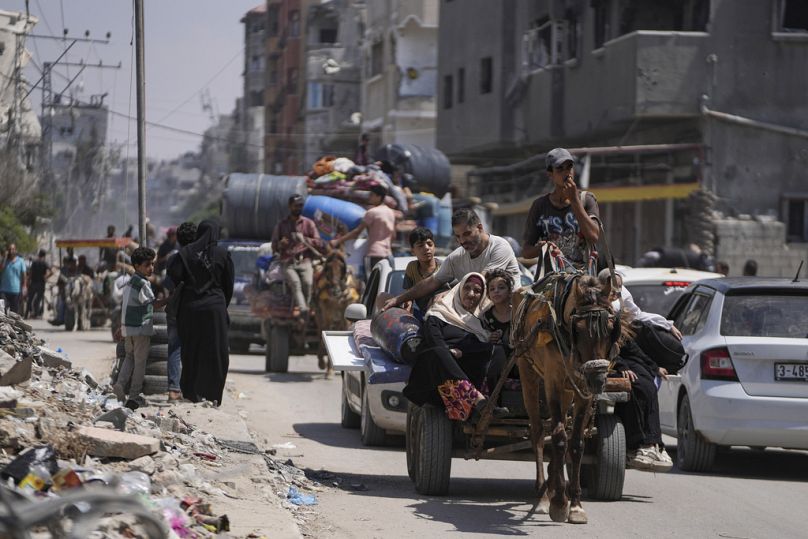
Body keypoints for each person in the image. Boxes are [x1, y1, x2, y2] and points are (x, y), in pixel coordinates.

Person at [403, 273, 508, 422]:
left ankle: (487, 402)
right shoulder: (437, 314)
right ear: (458, 290)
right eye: (467, 288)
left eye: (477, 291)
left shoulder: (480, 322)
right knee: (439, 352)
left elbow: (483, 348)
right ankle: (477, 400)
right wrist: (449, 351)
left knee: (497, 349)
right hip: (435, 379)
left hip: (465, 373)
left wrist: (463, 351)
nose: (471, 294)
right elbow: (434, 341)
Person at [599, 270, 673, 472]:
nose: (615, 293)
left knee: (648, 383)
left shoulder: (618, 311)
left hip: (624, 358)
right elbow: (600, 348)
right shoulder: (595, 313)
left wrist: (654, 366)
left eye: (618, 288)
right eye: (612, 288)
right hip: (607, 362)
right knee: (635, 387)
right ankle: (637, 444)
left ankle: (654, 444)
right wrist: (620, 366)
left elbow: (631, 346)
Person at [384, 208, 520, 311]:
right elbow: (433, 281)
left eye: (467, 234)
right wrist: (399, 299)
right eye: (458, 236)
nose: (462, 241)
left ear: (479, 228)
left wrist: (449, 293)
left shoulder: (499, 247)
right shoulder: (457, 257)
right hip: (478, 317)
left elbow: (481, 281)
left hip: (511, 314)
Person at [167, 220, 234, 405]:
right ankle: (213, 396)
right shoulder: (222, 254)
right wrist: (220, 305)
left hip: (190, 310)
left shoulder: (185, 253)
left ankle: (191, 393)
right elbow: (229, 285)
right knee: (217, 353)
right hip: (215, 309)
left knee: (191, 351)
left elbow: (173, 278)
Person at [522, 148, 600, 276]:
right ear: (550, 174)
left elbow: (594, 236)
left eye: (569, 167)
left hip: (582, 276)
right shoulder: (540, 205)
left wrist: (574, 201)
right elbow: (526, 251)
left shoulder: (586, 200)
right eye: (560, 169)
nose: (566, 173)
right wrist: (542, 248)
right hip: (552, 278)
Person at [113, 247, 159, 410]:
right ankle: (133, 396)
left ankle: (120, 384)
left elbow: (125, 307)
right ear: (137, 266)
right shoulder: (142, 283)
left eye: (152, 264)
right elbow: (153, 303)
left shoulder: (130, 282)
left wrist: (121, 327)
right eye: (148, 265)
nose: (151, 268)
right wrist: (171, 298)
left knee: (129, 358)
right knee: (140, 362)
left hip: (128, 329)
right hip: (140, 329)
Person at [272, 195, 322, 319]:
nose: (299, 208)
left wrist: (304, 239)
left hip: (305, 260)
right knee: (295, 283)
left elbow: (319, 242)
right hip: (288, 262)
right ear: (290, 206)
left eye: (301, 205)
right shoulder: (281, 225)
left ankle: (307, 308)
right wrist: (280, 244)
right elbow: (274, 246)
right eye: (296, 205)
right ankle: (303, 309)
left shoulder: (308, 223)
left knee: (308, 283)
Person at [330, 182, 396, 277]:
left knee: (371, 284)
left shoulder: (372, 212)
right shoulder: (391, 212)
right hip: (388, 254)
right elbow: (393, 235)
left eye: (371, 195)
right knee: (385, 283)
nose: (369, 197)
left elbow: (357, 232)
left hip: (374, 255)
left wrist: (337, 241)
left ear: (379, 197)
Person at [164, 221, 197, 401]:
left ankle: (173, 390)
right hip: (193, 310)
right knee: (192, 349)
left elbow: (167, 284)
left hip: (175, 309)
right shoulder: (199, 259)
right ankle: (190, 389)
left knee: (174, 348)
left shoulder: (173, 259)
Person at [482, 269, 515, 392]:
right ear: (488, 295)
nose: (496, 291)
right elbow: (482, 336)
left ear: (510, 291)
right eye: (492, 289)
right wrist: (489, 337)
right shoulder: (486, 317)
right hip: (497, 360)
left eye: (501, 287)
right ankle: (494, 404)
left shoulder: (518, 313)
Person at [402, 227, 446, 317]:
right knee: (382, 297)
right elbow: (408, 294)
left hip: (443, 315)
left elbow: (457, 290)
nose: (426, 248)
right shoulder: (411, 267)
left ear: (434, 247)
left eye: (429, 244)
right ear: (412, 250)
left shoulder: (444, 266)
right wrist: (408, 303)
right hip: (422, 316)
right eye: (420, 245)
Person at [0, 244, 27, 315]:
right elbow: (1, 269)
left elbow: (24, 275)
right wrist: (5, 258)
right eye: (9, 249)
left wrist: (24, 286)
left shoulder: (21, 261)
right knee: (2, 311)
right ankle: (4, 326)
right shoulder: (4, 261)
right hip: (4, 290)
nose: (11, 251)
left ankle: (13, 326)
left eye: (12, 249)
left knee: (14, 313)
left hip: (15, 290)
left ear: (15, 250)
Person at [26, 250, 51, 319]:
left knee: (30, 299)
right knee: (38, 300)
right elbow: (51, 270)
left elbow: (30, 273)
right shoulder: (44, 262)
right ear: (44, 256)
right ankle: (36, 314)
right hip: (41, 283)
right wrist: (46, 276)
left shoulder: (34, 262)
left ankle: (27, 314)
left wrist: (28, 281)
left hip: (33, 283)